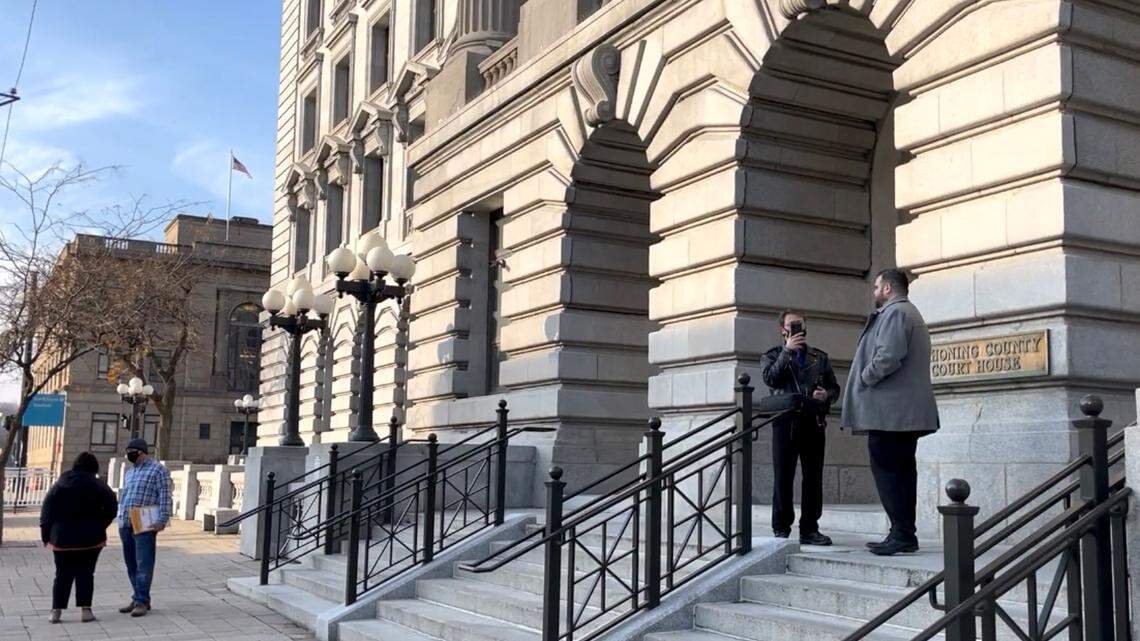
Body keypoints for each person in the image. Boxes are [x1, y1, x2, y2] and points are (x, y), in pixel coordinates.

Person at [841, 268, 940, 556]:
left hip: (891, 413)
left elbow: (888, 356)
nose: (873, 292)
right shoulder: (908, 313)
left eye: (876, 287)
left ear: (887, 289)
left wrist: (864, 376)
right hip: (898, 413)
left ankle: (901, 533)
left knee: (888, 470)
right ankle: (903, 533)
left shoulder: (896, 313)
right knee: (902, 471)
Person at [759, 310, 840, 545]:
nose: (798, 329)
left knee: (812, 478)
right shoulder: (773, 355)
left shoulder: (819, 358)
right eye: (793, 325)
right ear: (783, 329)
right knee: (783, 476)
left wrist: (827, 395)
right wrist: (787, 351)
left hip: (813, 421)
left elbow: (834, 387)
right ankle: (781, 527)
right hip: (785, 422)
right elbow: (771, 379)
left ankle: (810, 528)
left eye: (801, 325)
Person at [39, 452, 118, 624]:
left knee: (61, 574)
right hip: (91, 539)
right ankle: (85, 610)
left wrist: (46, 535)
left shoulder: (60, 484)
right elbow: (113, 507)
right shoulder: (99, 485)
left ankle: (56, 611)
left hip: (61, 538)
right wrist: (100, 525)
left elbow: (47, 510)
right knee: (86, 573)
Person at [116, 437, 172, 617]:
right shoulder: (130, 472)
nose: (129, 455)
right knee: (131, 564)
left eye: (132, 451)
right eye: (127, 452)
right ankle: (138, 597)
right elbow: (125, 495)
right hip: (126, 521)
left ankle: (141, 601)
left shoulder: (158, 470)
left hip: (145, 523)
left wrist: (163, 519)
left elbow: (165, 496)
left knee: (144, 564)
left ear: (142, 452)